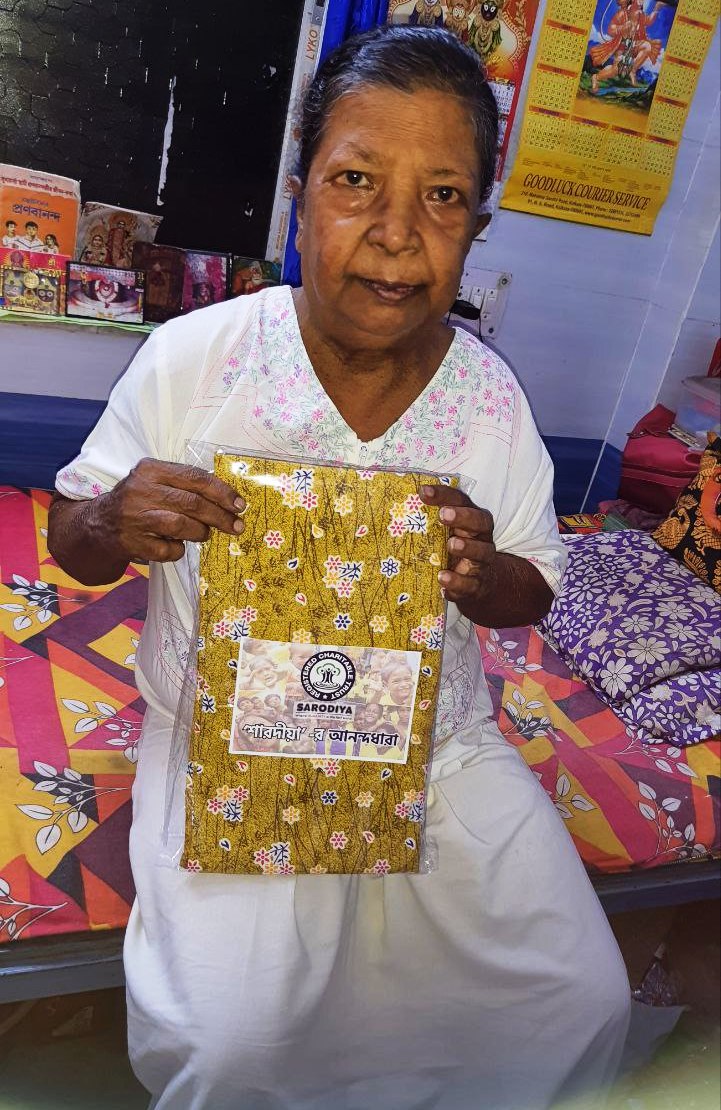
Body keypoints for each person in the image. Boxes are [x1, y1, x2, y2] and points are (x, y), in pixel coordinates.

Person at [47, 25, 630, 1110]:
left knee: (579, 1002)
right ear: (300, 194)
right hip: (226, 734)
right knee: (233, 1046)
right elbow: (70, 544)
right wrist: (117, 518)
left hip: (436, 745)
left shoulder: (488, 398)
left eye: (442, 197)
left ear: (477, 227)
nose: (396, 234)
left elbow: (535, 587)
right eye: (357, 180)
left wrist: (482, 573)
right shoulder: (196, 358)